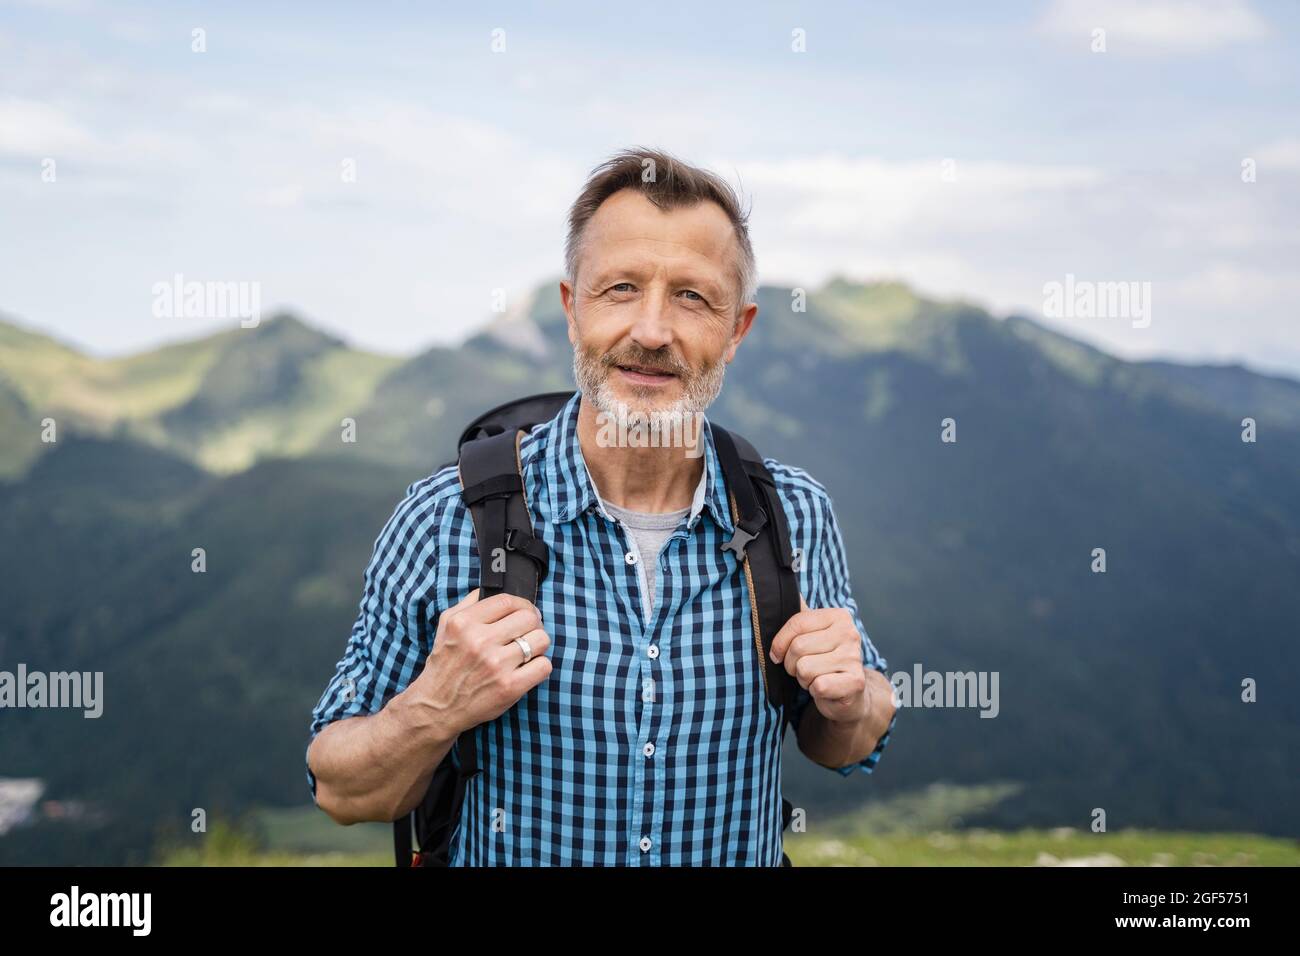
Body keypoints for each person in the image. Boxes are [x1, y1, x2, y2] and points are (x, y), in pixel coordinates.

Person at [306, 146, 897, 865]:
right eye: (620, 288)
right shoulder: (445, 517)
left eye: (692, 297)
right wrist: (437, 705)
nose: (651, 332)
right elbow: (340, 789)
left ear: (736, 331)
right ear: (571, 308)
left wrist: (852, 701)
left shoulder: (793, 517)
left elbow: (842, 741)